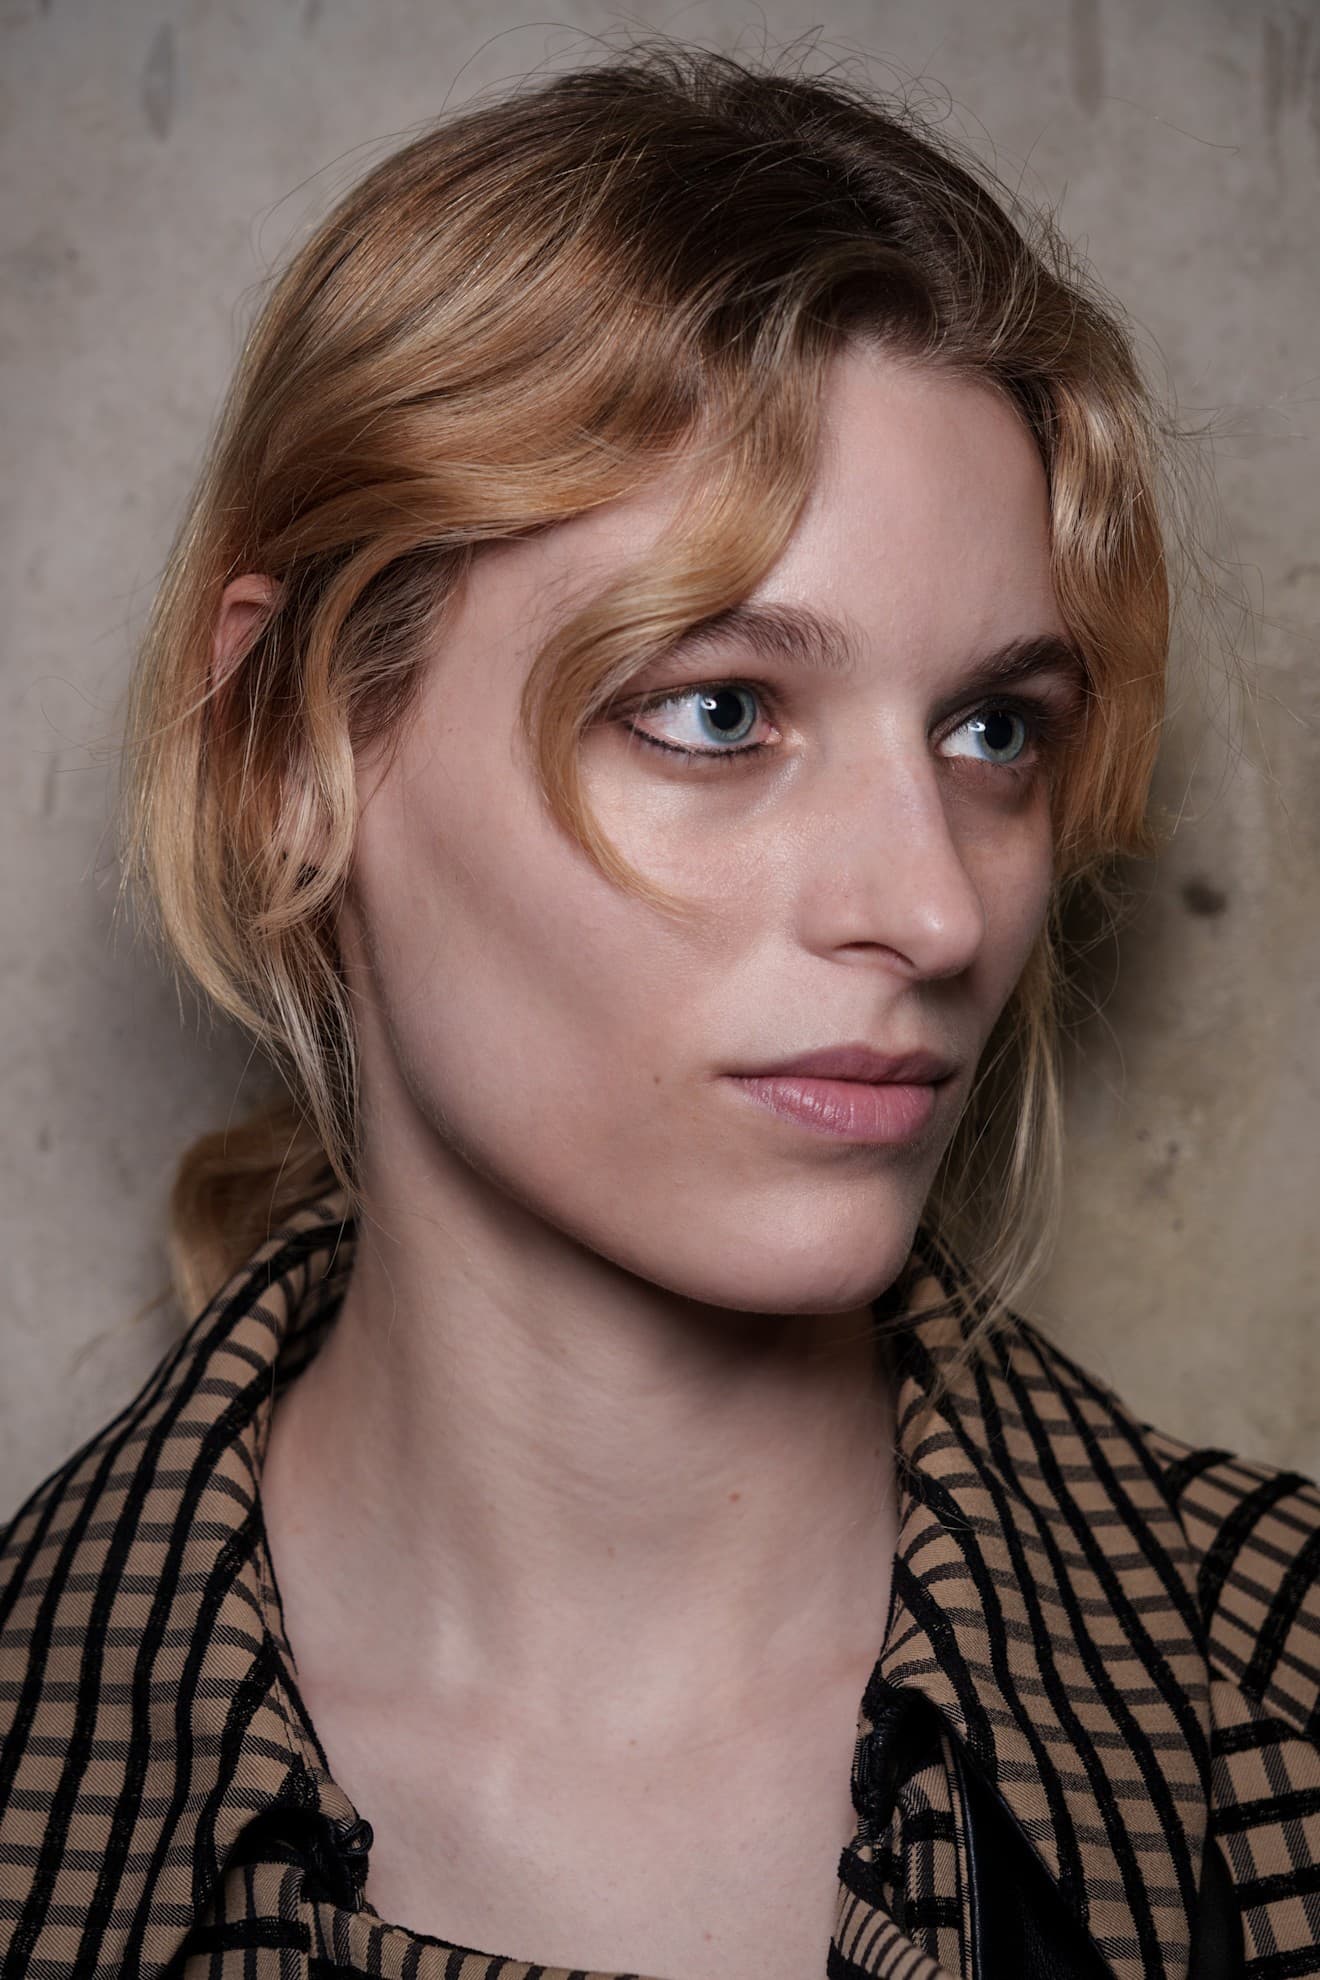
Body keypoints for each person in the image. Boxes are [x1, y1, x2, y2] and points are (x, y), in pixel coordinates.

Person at [0, 42, 1316, 1980]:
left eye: (991, 730)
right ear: (286, 752)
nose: (935, 908)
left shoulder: (1279, 1706)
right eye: (718, 711)